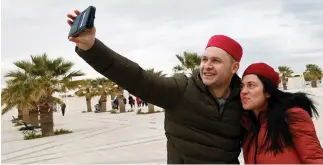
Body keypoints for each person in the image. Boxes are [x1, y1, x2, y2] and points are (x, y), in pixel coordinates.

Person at [67, 10, 244, 163]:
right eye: (204, 59)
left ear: (234, 68)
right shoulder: (181, 89)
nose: (207, 66)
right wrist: (91, 47)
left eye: (216, 61)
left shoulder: (244, 101)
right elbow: (137, 78)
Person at [240, 62, 323, 164]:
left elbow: (313, 158)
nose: (244, 91)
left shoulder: (291, 116)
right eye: (242, 86)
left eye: (251, 85)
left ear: (267, 92)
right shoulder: (248, 125)